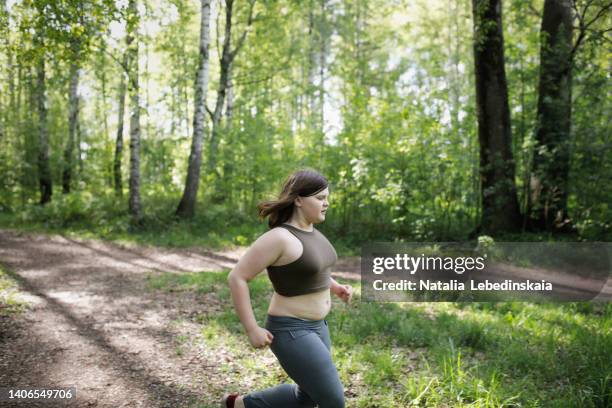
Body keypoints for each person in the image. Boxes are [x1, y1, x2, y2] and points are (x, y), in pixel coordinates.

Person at [222, 169, 353, 408]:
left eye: (327, 197)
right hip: (291, 330)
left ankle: (240, 404)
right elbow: (237, 277)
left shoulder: (312, 231)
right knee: (334, 401)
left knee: (308, 397)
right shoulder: (279, 238)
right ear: (299, 199)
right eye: (320, 198)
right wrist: (252, 329)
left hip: (318, 327)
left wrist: (335, 287)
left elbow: (313, 269)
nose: (327, 203)